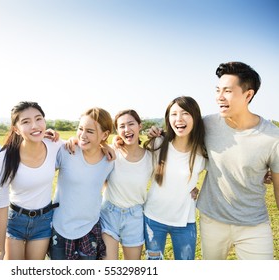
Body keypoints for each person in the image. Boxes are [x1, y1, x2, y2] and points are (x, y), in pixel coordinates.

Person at [149, 62, 279, 260]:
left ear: (248, 95)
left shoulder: (273, 137)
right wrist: (156, 133)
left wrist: (263, 173)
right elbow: (179, 132)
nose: (219, 97)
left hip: (254, 225)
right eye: (217, 90)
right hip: (212, 221)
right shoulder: (207, 124)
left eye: (227, 91)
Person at [0, 101, 63, 260]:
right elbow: (1, 204)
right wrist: (0, 250)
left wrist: (105, 147)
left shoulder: (54, 146)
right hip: (16, 220)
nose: (35, 125)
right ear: (16, 129)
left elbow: (82, 146)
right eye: (26, 122)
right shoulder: (5, 157)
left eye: (38, 119)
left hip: (44, 220)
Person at [144, 96, 207, 260]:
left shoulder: (202, 151)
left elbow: (222, 173)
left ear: (195, 117)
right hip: (153, 219)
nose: (179, 119)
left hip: (185, 222)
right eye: (173, 114)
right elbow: (131, 156)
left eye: (185, 113)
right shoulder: (158, 143)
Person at [49, 107, 114, 260]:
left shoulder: (109, 160)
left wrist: (105, 145)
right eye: (80, 129)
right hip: (60, 228)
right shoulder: (66, 151)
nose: (83, 135)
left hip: (90, 228)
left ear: (105, 134)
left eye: (90, 131)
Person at [100, 109, 153, 260]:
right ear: (117, 131)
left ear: (139, 126)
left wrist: (191, 187)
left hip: (135, 216)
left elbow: (167, 179)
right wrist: (103, 144)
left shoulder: (150, 157)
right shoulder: (112, 151)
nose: (127, 129)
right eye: (122, 126)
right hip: (109, 213)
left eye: (131, 124)